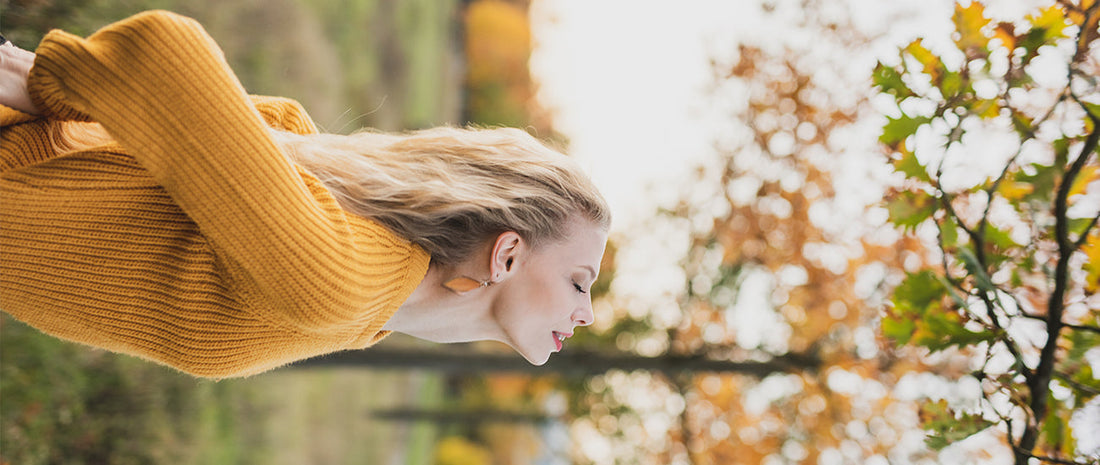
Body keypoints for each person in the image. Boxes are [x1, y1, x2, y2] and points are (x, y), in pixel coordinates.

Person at [0, 11, 610, 378]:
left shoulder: (368, 305)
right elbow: (162, 50)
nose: (585, 313)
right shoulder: (345, 279)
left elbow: (167, 145)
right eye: (579, 282)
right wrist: (50, 79)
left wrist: (57, 95)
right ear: (506, 254)